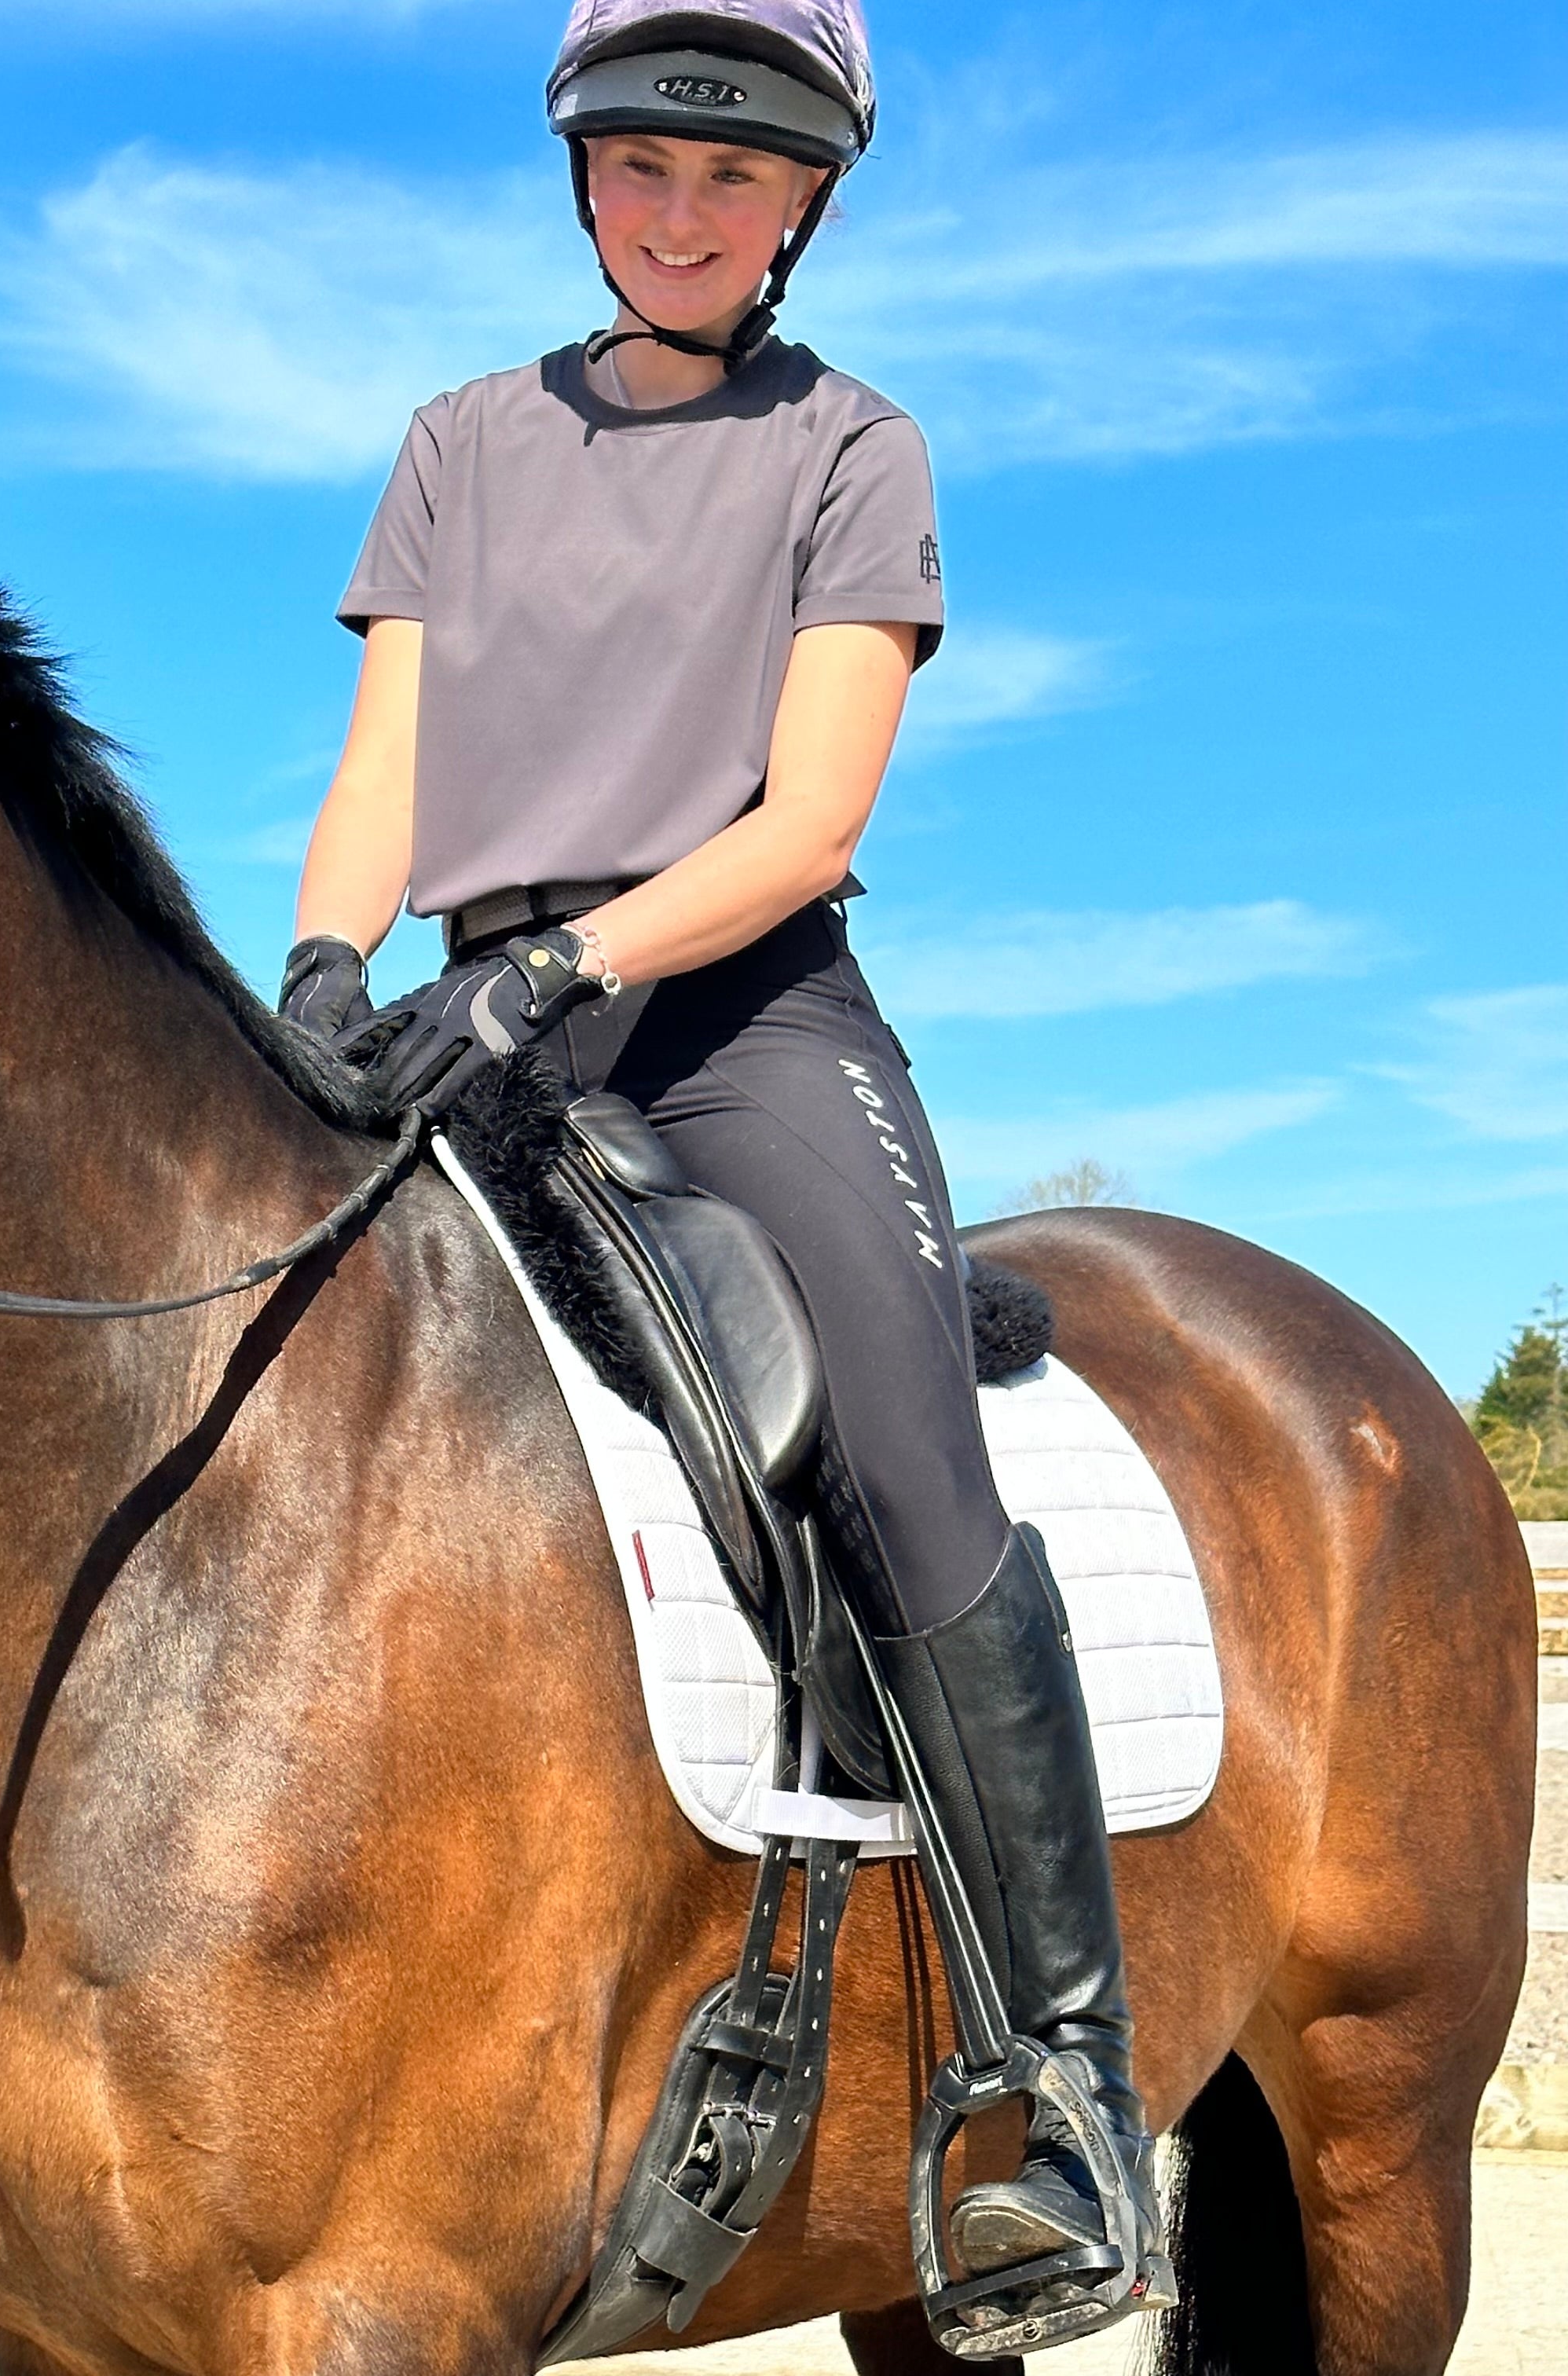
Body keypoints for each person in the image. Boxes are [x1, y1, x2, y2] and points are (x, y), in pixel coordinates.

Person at [279, 0, 1166, 2321]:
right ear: (584, 178)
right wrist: (320, 961)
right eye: (646, 167)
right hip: (467, 1005)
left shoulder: (852, 446)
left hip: (738, 1016)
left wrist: (568, 967)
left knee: (901, 1449)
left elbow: (812, 819)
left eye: (736, 177)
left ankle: (1064, 2090)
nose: (682, 214)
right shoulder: (460, 442)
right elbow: (386, 766)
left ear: (805, 209)